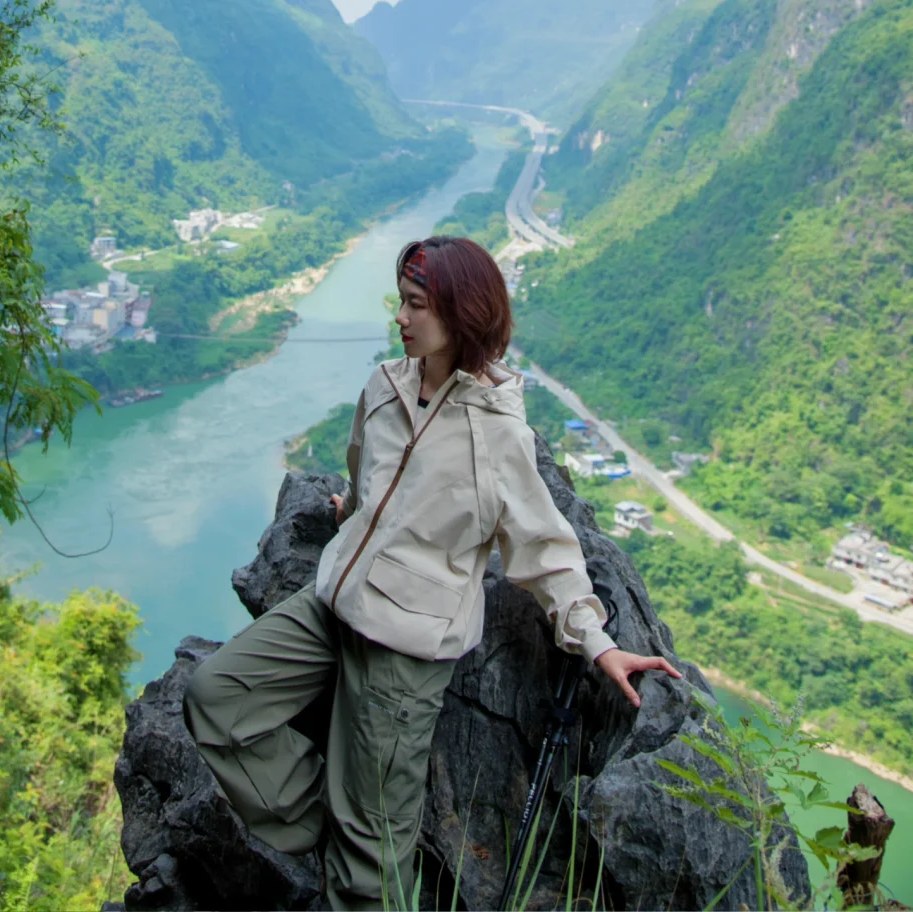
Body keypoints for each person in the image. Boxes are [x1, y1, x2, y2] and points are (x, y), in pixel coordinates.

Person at [184, 235, 680, 909]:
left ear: (462, 314)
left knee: (373, 866)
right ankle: (331, 825)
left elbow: (546, 550)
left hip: (405, 653)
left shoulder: (498, 435)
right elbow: (365, 472)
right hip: (332, 605)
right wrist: (351, 510)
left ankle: (358, 847)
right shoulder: (384, 386)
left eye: (416, 306)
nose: (401, 318)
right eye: (402, 302)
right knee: (217, 699)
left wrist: (598, 643)